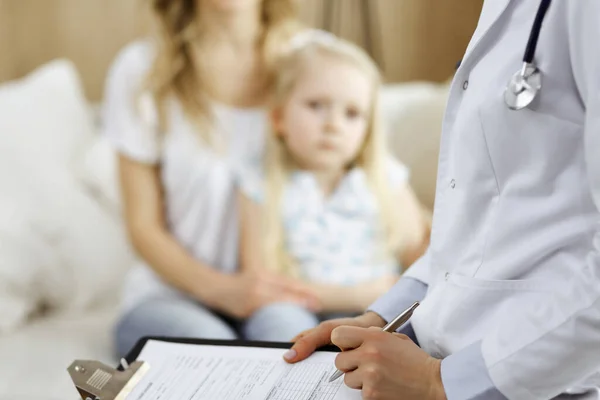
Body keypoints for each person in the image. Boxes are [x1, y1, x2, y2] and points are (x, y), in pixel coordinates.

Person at [283, 1, 600, 399]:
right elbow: (478, 221)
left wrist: (440, 383)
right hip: (440, 364)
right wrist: (381, 319)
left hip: (540, 384)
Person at [104, 0, 323, 357]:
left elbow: (374, 176)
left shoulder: (316, 59)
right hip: (170, 297)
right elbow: (143, 227)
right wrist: (224, 290)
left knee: (293, 350)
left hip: (278, 295)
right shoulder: (141, 70)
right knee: (212, 353)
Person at [237, 32, 429, 326]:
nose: (333, 125)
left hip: (375, 311)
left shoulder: (385, 178)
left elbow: (420, 258)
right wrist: (354, 295)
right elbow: (262, 280)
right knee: (275, 321)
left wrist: (384, 297)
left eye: (351, 113)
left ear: (368, 128)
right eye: (316, 105)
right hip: (298, 310)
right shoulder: (260, 184)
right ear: (278, 118)